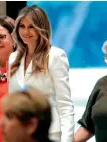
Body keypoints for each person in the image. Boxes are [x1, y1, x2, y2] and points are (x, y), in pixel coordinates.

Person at [8, 5, 74, 142]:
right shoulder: (13, 58)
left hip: (49, 132)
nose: (26, 31)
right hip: (20, 133)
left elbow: (65, 105)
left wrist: (67, 139)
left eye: (31, 26)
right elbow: (12, 101)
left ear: (41, 28)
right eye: (22, 26)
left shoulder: (56, 56)